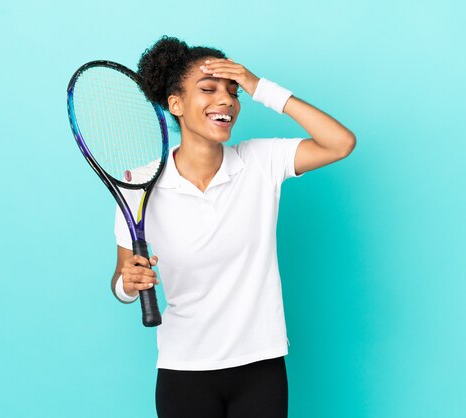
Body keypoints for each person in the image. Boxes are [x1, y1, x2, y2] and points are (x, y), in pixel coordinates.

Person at [111, 36, 356, 418]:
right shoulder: (138, 184)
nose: (226, 100)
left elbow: (340, 143)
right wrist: (128, 284)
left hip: (260, 363)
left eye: (234, 92)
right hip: (184, 368)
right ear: (175, 104)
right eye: (208, 89)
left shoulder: (261, 161)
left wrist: (261, 87)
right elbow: (122, 283)